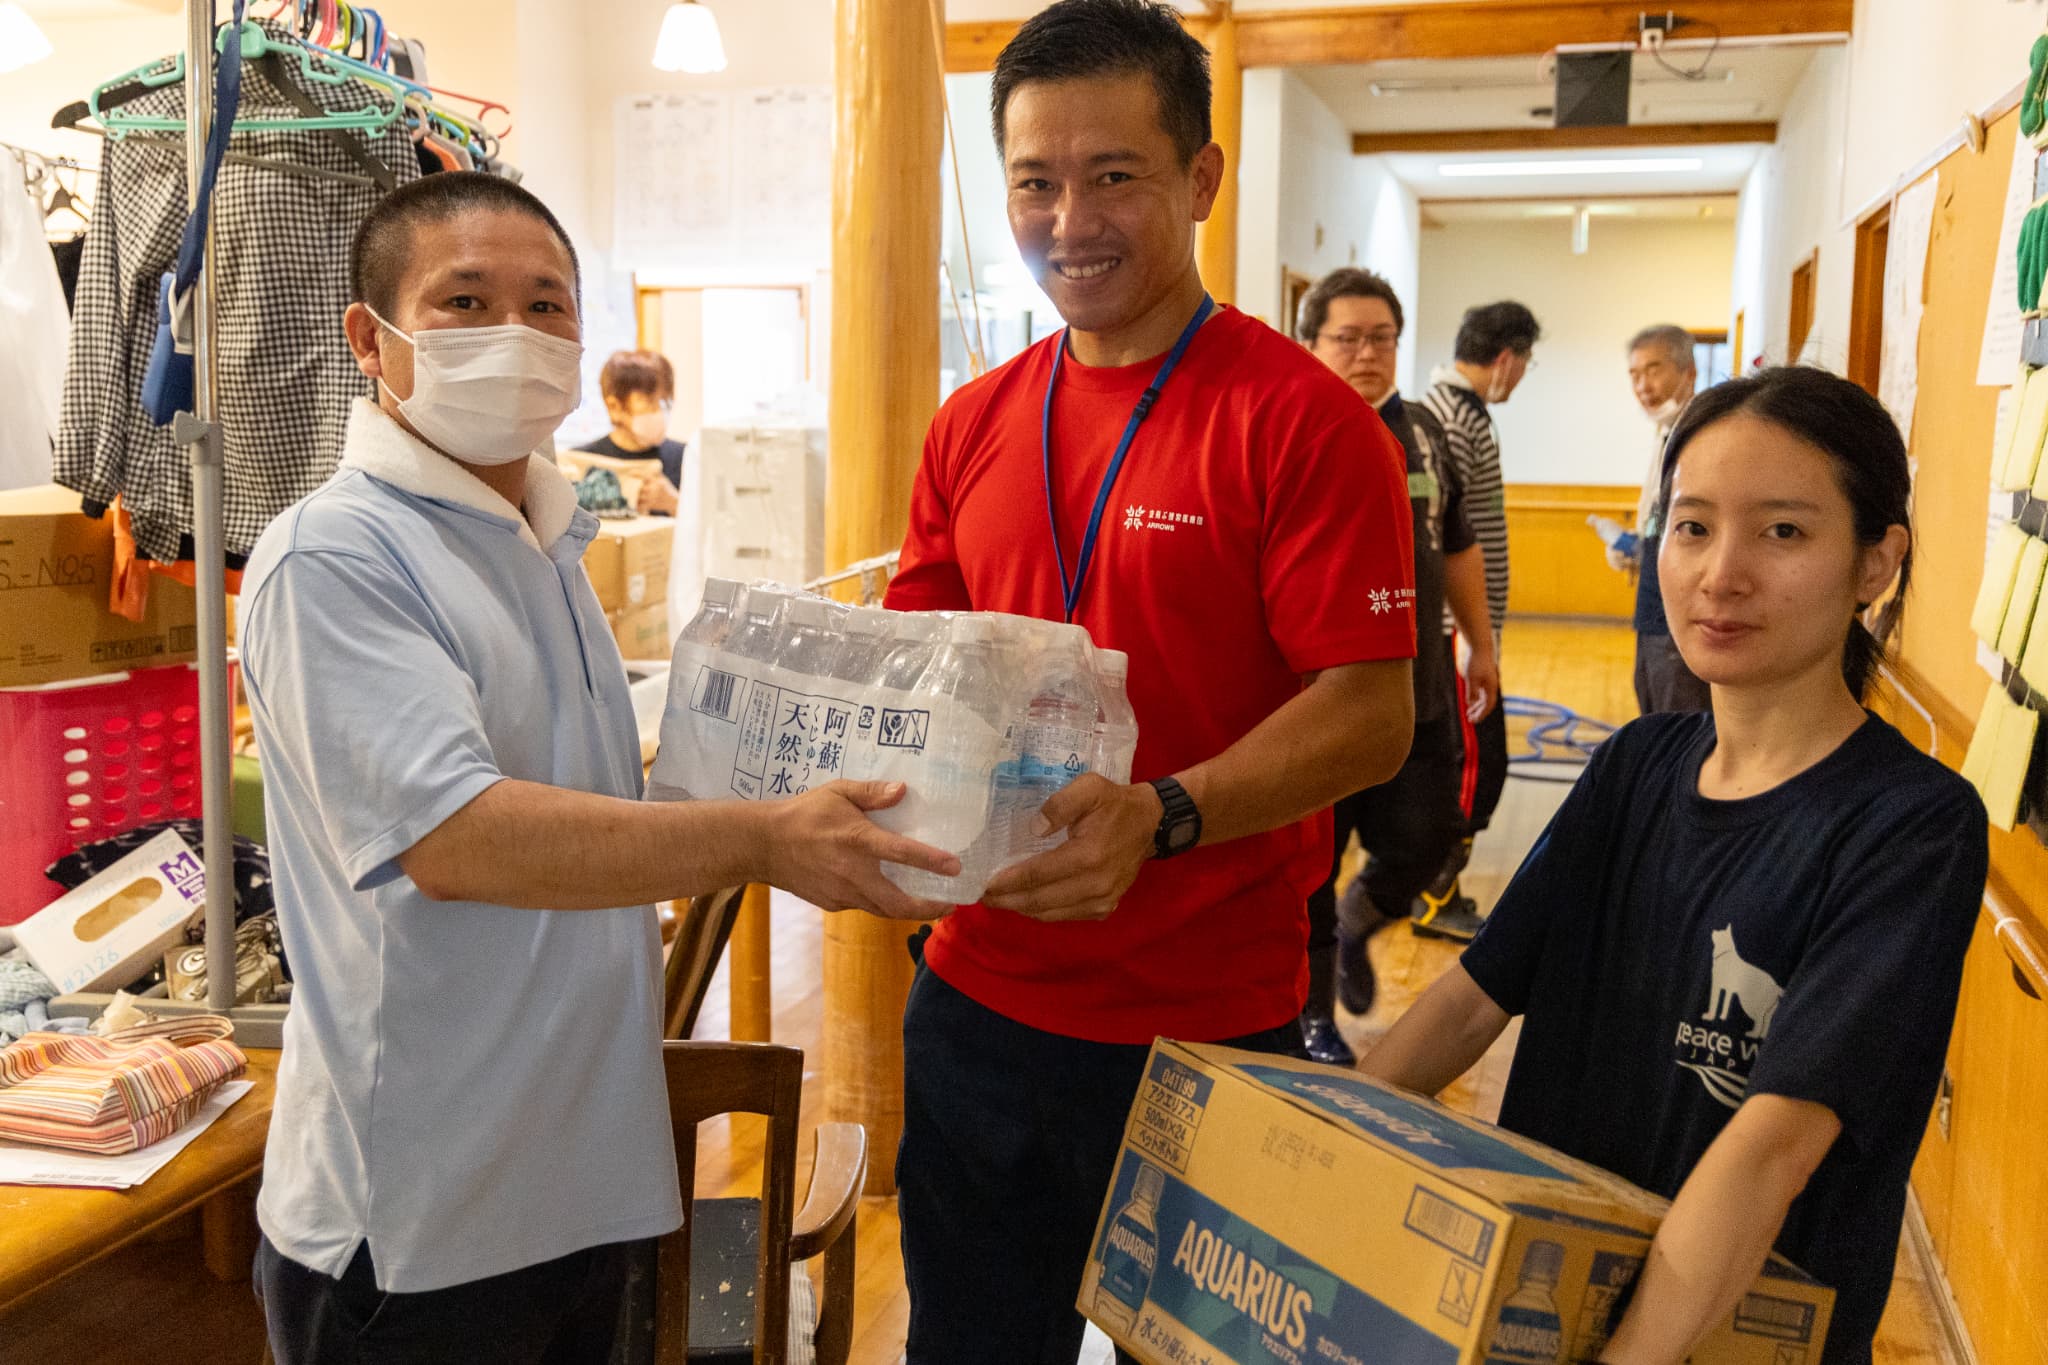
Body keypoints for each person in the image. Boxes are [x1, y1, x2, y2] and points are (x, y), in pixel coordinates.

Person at [238, 172, 957, 1365]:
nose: (512, 335)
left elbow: (590, 796)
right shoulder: (335, 555)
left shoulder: (546, 535)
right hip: (418, 1226)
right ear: (372, 338)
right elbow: (459, 838)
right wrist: (763, 834)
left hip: (583, 1185)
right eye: (463, 301)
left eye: (547, 305)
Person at [882, 3, 1418, 1358]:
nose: (1071, 218)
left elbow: (1370, 713)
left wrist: (1163, 814)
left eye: (1114, 175)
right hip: (979, 997)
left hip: (1210, 1022)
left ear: (1200, 180)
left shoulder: (1304, 421)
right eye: (1034, 181)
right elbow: (921, 655)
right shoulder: (974, 419)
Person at [1362, 366, 1988, 1365]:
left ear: (1876, 562)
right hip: (1544, 1309)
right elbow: (1469, 1001)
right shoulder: (1633, 766)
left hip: (1723, 1336)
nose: (1719, 574)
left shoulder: (1909, 826)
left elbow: (1771, 1146)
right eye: (1690, 526)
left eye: (1781, 532)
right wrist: (1328, 1159)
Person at [1292, 267, 1499, 1065]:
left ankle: (1361, 918)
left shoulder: (1426, 434)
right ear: (1313, 343)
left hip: (1418, 686)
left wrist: (1484, 645)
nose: (1367, 352)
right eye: (1348, 337)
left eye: (1382, 337)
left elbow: (1456, 544)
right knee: (1306, 869)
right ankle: (1314, 1019)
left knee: (1428, 837)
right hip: (1314, 696)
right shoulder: (1290, 427)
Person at [1415, 300, 1541, 941]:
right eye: (1525, 364)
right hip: (1451, 634)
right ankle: (1433, 897)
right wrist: (1470, 638)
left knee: (1475, 762)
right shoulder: (1447, 419)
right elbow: (1446, 540)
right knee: (1470, 767)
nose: (1521, 376)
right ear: (1506, 359)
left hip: (1468, 632)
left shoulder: (1467, 414)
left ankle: (1438, 888)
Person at [1617, 323, 1711, 715]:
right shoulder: (1665, 432)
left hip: (1682, 620)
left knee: (1678, 731)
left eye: (1653, 370)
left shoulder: (1700, 436)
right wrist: (1633, 544)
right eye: (1635, 375)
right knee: (1652, 717)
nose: (1643, 385)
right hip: (1653, 610)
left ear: (1688, 372)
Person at [577, 348, 685, 516]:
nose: (660, 413)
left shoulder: (686, 458)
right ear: (615, 407)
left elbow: (714, 528)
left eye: (666, 403)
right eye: (649, 403)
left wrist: (675, 503)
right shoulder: (581, 463)